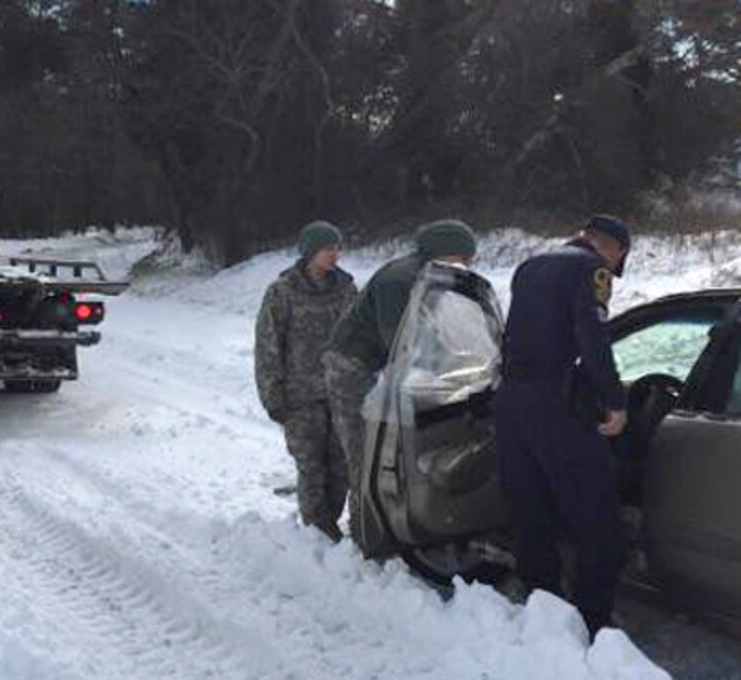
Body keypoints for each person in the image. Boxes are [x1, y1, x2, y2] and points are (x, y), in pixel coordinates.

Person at [494, 214, 631, 639]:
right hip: (557, 404)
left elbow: (515, 334)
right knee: (597, 515)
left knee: (530, 507)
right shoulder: (592, 270)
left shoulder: (531, 265)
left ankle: (543, 602)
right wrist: (614, 402)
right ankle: (592, 618)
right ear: (612, 249)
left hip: (512, 402)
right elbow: (592, 338)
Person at [323, 219, 478, 546]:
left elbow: (434, 332)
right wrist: (444, 369)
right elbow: (403, 343)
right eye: (464, 259)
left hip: (382, 366)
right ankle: (366, 539)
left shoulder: (435, 278)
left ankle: (393, 527)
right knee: (365, 451)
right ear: (444, 253)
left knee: (393, 449)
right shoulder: (400, 280)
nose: (468, 267)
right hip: (353, 368)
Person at [255, 220, 357, 541]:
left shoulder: (346, 289)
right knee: (311, 468)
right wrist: (273, 396)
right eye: (329, 248)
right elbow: (268, 347)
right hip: (300, 399)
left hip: (340, 395)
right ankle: (318, 533)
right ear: (311, 252)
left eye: (338, 248)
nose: (335, 254)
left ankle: (330, 525)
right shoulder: (282, 293)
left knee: (341, 467)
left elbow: (359, 337)